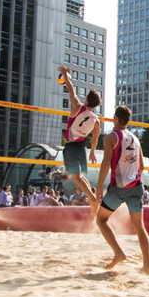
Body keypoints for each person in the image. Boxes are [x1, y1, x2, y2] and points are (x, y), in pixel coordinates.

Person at [93, 105, 149, 274]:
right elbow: (141, 166)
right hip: (137, 186)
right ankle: (147, 266)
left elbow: (105, 163)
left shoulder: (111, 136)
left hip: (118, 188)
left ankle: (118, 252)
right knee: (140, 227)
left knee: (101, 220)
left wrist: (99, 187)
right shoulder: (136, 138)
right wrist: (132, 178)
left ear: (116, 119)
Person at [56, 65, 103, 216]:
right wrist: (93, 152)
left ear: (87, 100)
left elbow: (71, 90)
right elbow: (95, 138)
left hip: (71, 146)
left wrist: (64, 74)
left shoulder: (77, 106)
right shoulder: (96, 120)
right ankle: (94, 199)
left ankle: (93, 200)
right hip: (82, 147)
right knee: (81, 177)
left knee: (76, 178)